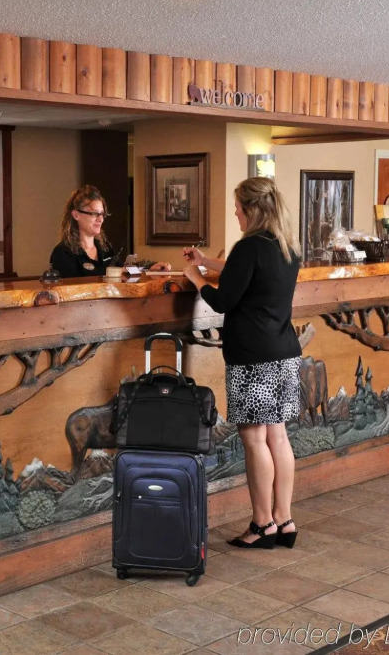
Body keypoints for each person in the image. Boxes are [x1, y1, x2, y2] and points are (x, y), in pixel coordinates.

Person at [181, 177, 302, 550]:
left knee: (254, 438)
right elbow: (242, 272)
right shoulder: (286, 245)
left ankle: (262, 524)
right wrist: (207, 261)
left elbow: (223, 300)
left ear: (251, 209)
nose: (235, 213)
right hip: (285, 352)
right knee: (277, 436)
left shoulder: (249, 247)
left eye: (237, 207)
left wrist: (195, 277)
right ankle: (284, 520)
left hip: (253, 357)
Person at [49, 185, 168, 278]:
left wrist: (149, 268)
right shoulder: (63, 252)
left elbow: (123, 270)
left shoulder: (105, 248)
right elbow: (71, 291)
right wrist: (111, 275)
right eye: (94, 214)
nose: (100, 219)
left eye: (102, 214)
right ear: (76, 215)